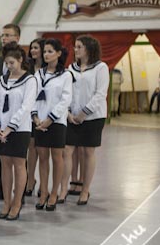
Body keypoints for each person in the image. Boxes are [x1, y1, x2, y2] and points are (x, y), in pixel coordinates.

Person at [0, 43, 37, 221]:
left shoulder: (30, 80)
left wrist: (10, 127)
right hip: (1, 129)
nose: (9, 66)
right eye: (7, 63)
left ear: (20, 60)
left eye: (12, 63)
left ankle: (17, 203)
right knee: (5, 165)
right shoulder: (3, 80)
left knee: (18, 164)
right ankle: (6, 202)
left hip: (19, 129)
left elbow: (27, 106)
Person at [61, 35, 108, 206]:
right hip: (72, 116)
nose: (76, 50)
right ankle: (63, 189)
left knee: (88, 152)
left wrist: (84, 113)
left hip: (93, 117)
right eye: (75, 46)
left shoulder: (101, 68)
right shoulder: (71, 68)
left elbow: (100, 94)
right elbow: (66, 91)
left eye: (79, 47)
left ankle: (85, 190)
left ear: (89, 48)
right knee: (67, 150)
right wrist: (68, 112)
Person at [31, 39, 72, 211]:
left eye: (50, 51)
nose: (46, 54)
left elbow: (66, 99)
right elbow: (32, 96)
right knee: (42, 157)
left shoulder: (66, 75)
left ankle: (55, 192)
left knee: (57, 157)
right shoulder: (38, 74)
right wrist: (35, 117)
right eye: (45, 51)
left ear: (58, 53)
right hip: (39, 121)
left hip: (56, 122)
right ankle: (43, 192)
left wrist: (50, 118)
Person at [0, 23, 21, 202]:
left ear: (17, 38)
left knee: (18, 158)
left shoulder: (25, 62)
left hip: (18, 117)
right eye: (3, 35)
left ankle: (20, 192)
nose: (4, 38)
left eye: (8, 35)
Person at [25, 38, 45, 197]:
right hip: (29, 112)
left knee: (43, 150)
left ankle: (44, 185)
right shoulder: (28, 67)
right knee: (31, 147)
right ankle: (30, 179)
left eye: (36, 48)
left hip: (44, 112)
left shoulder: (49, 68)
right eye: (31, 48)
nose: (33, 51)